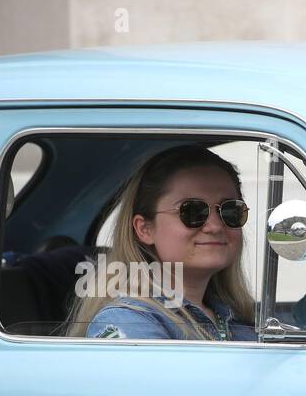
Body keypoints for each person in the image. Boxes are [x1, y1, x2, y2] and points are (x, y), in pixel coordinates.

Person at [71, 144, 258, 340]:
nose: (215, 226)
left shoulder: (239, 318)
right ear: (145, 229)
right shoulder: (127, 321)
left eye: (230, 211)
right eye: (192, 211)